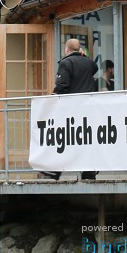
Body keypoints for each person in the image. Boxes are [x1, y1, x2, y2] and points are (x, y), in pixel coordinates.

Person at [44, 38, 99, 181]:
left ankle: (54, 171)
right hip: (88, 108)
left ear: (67, 49)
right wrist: (84, 56)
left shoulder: (66, 62)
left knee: (64, 139)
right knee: (85, 140)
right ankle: (88, 172)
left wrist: (53, 101)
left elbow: (62, 85)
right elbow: (95, 69)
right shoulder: (89, 62)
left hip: (71, 109)